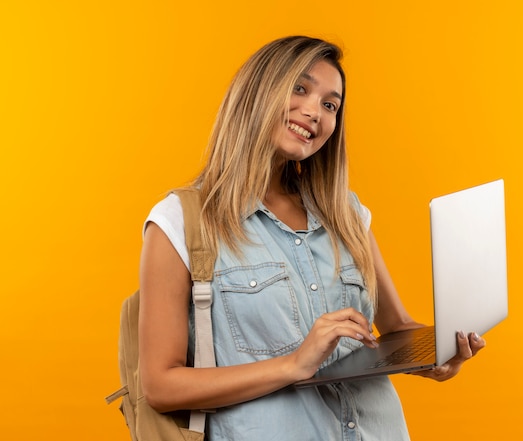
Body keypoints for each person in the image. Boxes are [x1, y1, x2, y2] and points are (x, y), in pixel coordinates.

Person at [138, 36, 485, 441]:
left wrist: (437, 355)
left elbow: (397, 326)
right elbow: (160, 386)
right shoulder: (181, 222)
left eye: (330, 104)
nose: (314, 112)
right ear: (257, 92)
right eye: (300, 88)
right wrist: (294, 364)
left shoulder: (346, 214)